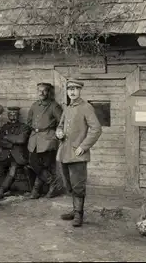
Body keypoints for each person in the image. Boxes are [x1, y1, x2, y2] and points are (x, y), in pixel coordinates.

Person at [56, 79, 102, 227]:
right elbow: (60, 125)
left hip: (77, 153)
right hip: (64, 152)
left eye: (75, 88)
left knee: (78, 185)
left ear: (80, 90)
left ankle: (79, 215)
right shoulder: (68, 108)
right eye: (70, 89)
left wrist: (84, 146)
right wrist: (59, 132)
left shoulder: (86, 107)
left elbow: (96, 129)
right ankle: (75, 209)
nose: (72, 91)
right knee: (68, 184)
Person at [26, 82, 63, 199]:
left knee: (44, 165)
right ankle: (53, 183)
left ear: (48, 92)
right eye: (39, 91)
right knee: (33, 163)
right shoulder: (34, 105)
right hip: (34, 139)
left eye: (44, 90)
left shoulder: (54, 106)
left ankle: (36, 190)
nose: (41, 93)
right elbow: (29, 121)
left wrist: (56, 134)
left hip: (48, 139)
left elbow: (61, 122)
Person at [0, 107, 31, 199]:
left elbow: (21, 140)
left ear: (18, 115)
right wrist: (13, 142)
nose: (12, 115)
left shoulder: (24, 127)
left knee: (13, 170)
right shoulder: (4, 127)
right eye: (10, 113)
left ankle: (1, 190)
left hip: (18, 155)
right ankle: (7, 188)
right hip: (5, 154)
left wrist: (7, 137)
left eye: (14, 113)